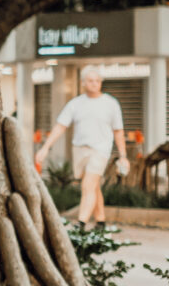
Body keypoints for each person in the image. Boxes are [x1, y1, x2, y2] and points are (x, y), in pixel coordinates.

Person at [44, 68, 128, 224]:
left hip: (100, 150)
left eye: (97, 80)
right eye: (90, 80)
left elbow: (118, 131)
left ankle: (81, 223)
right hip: (80, 150)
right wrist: (45, 147)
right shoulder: (75, 104)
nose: (94, 84)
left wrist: (123, 156)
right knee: (93, 186)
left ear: (101, 82)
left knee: (87, 185)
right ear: (83, 83)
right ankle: (100, 220)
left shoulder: (110, 103)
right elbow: (61, 126)